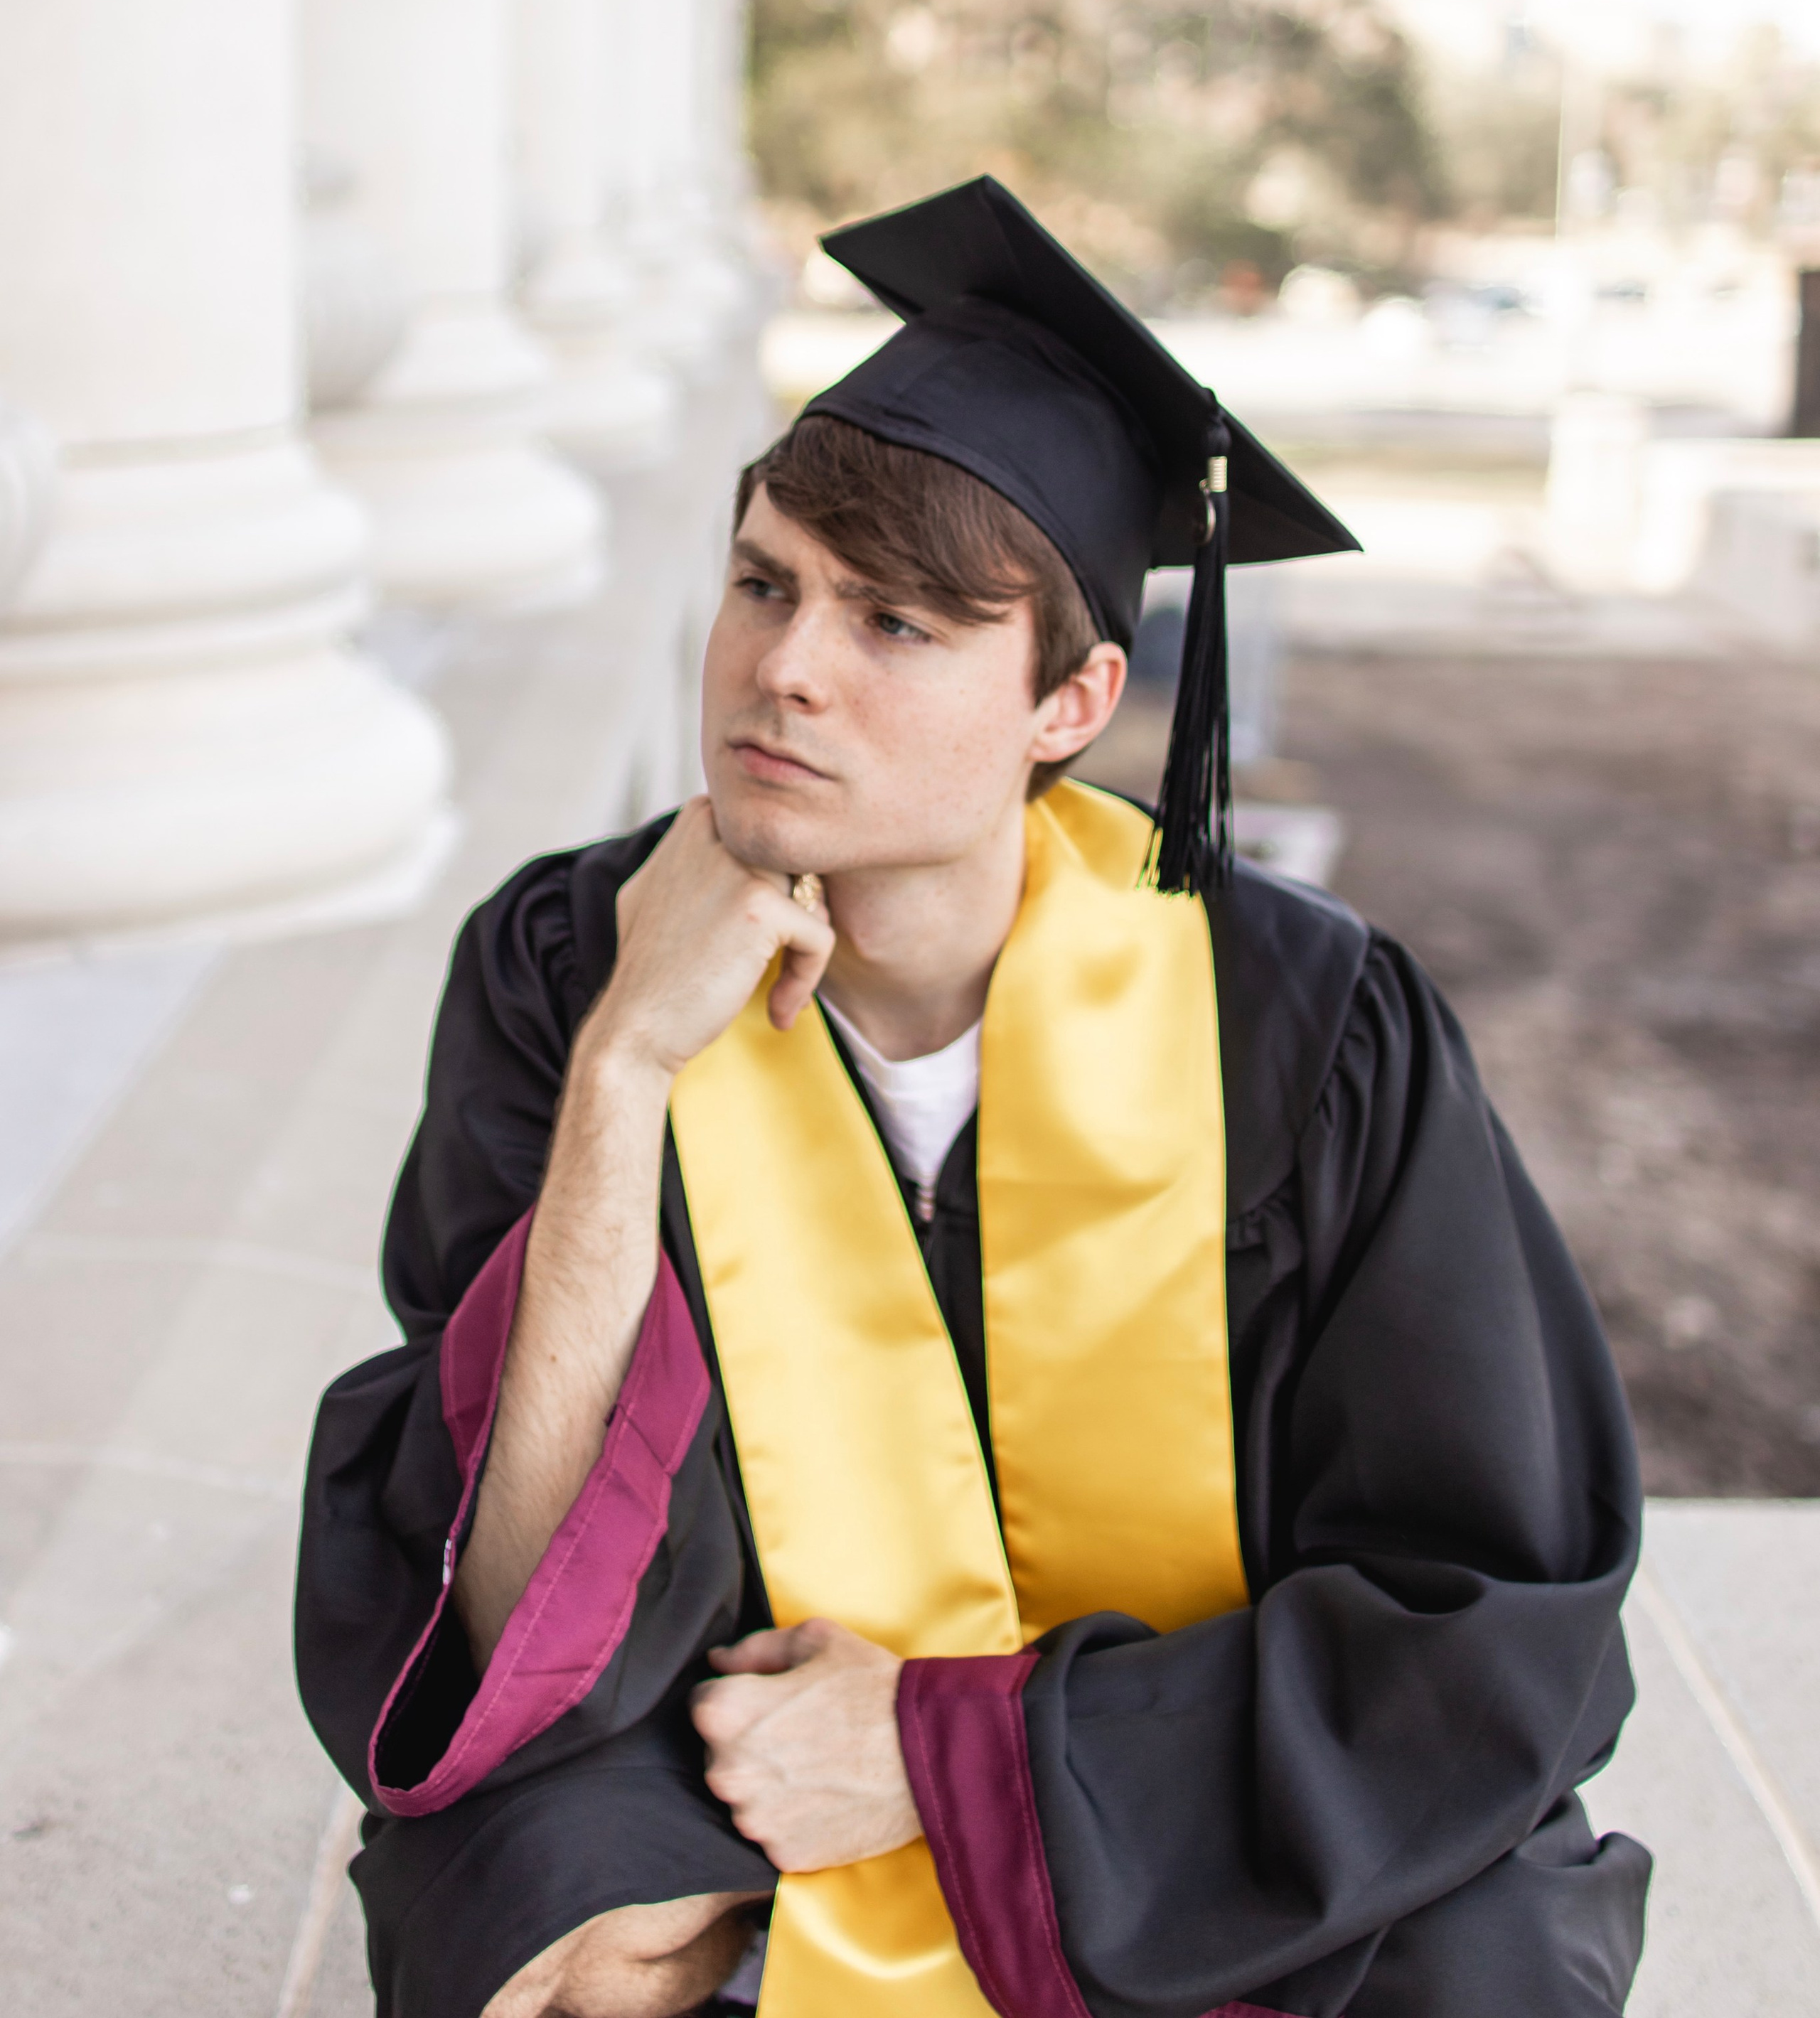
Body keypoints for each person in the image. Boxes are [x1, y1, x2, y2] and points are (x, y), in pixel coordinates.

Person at [297, 178, 1650, 2018]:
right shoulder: (566, 966)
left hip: (1168, 1777)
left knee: (1486, 1958)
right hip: (733, 1744)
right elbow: (513, 1604)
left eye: (899, 624)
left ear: (1073, 700)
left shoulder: (1306, 1026)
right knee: (555, 1934)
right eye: (766, 582)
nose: (786, 666)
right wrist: (626, 1068)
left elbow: (1485, 1616)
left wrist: (951, 1755)